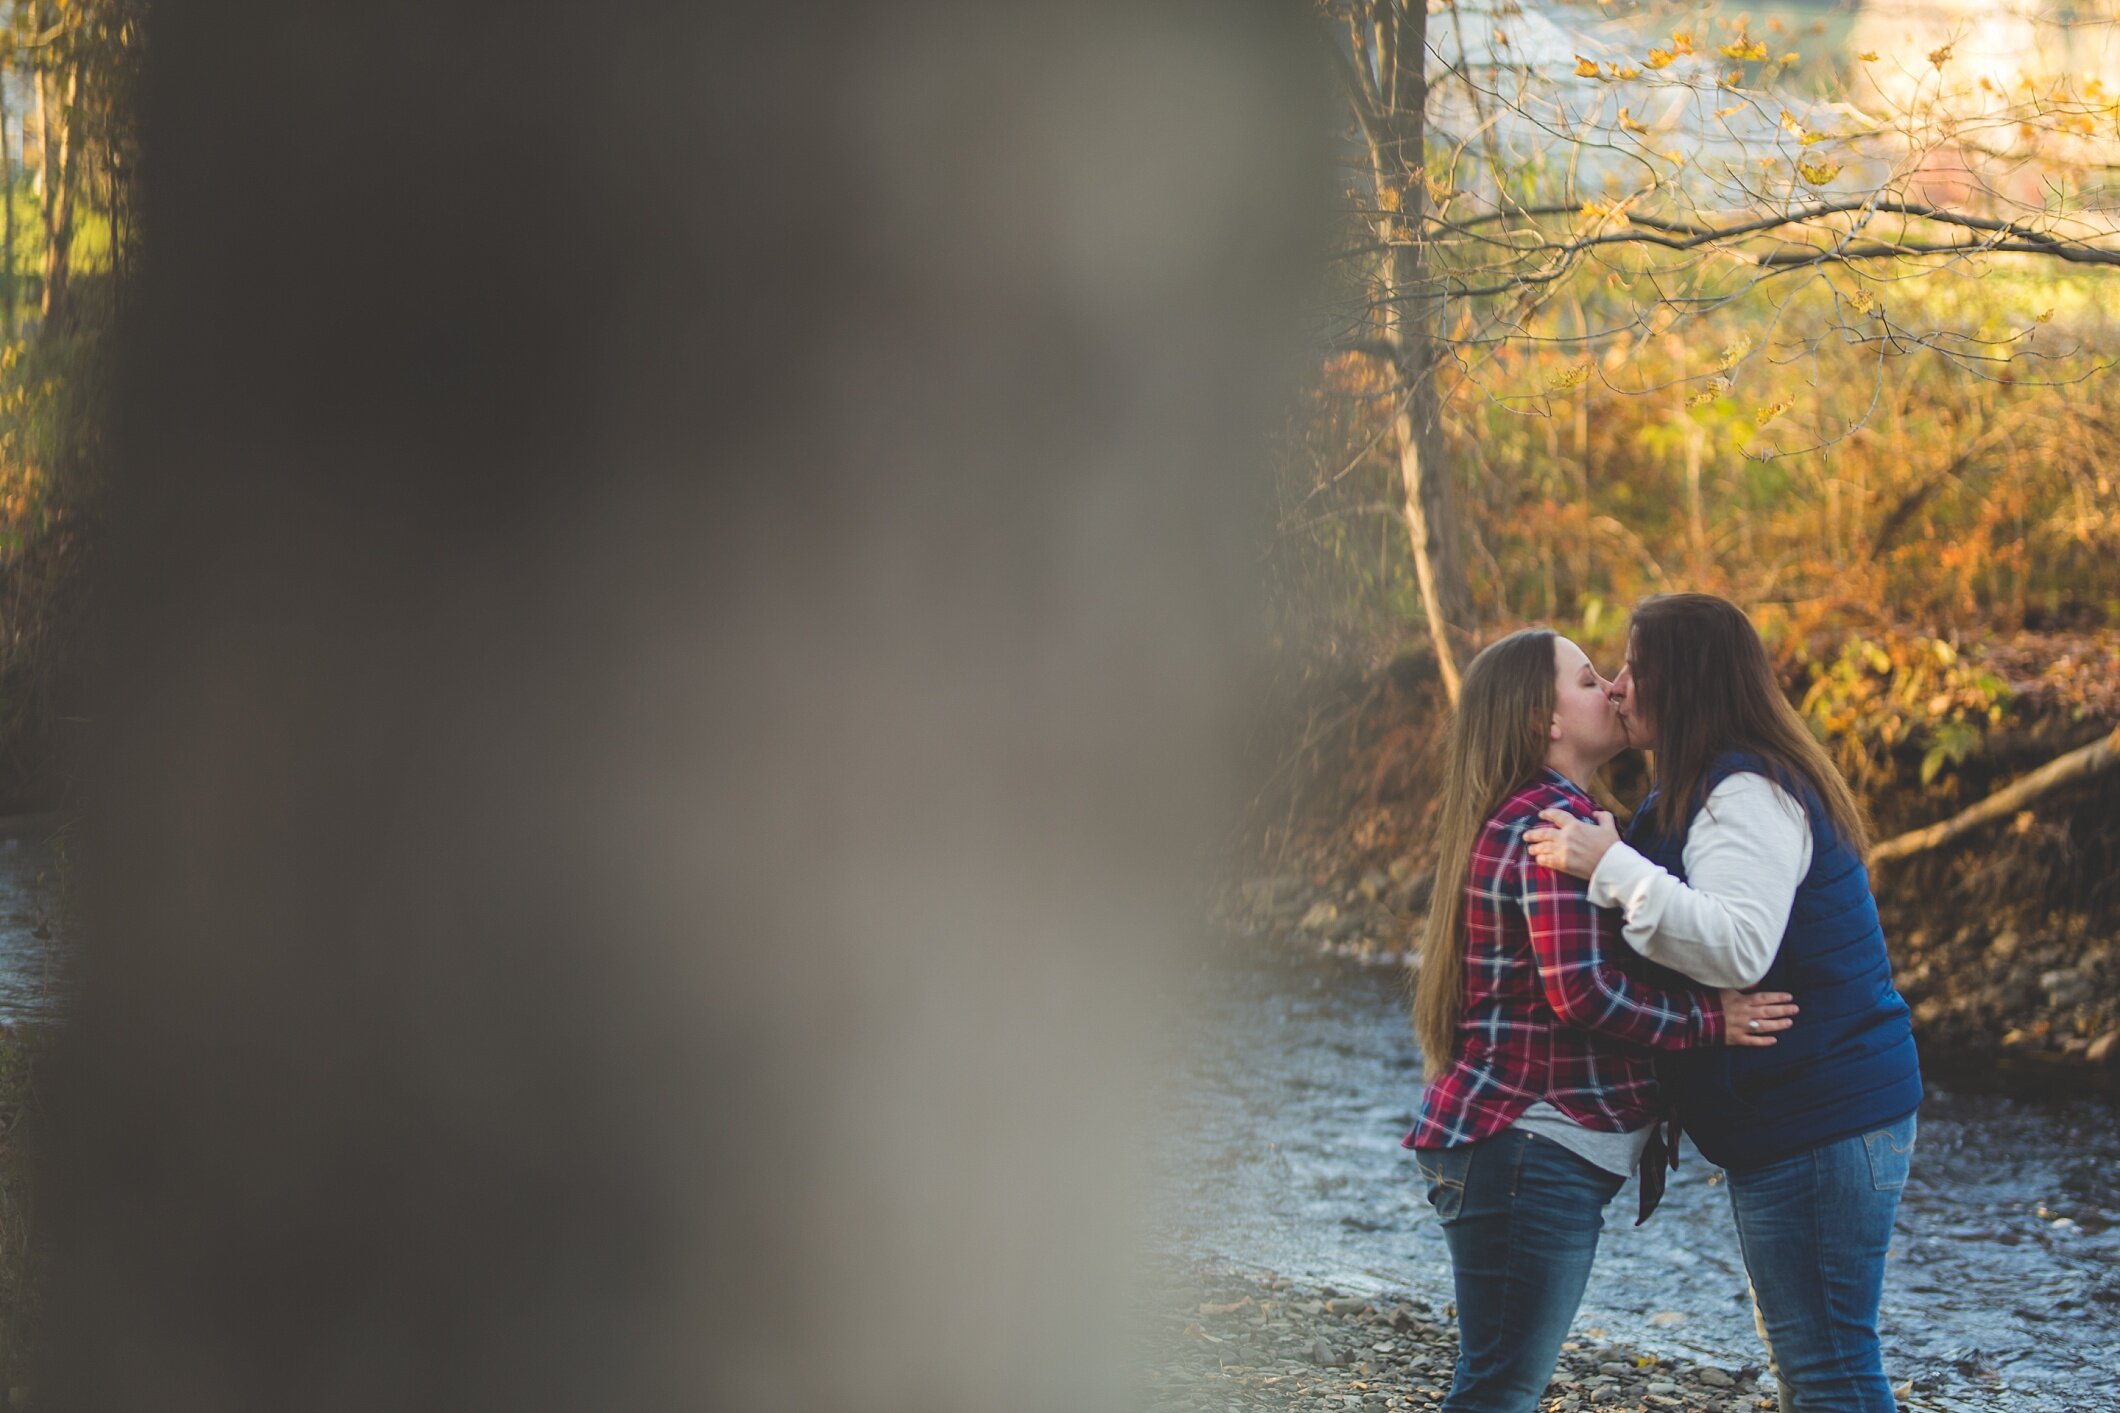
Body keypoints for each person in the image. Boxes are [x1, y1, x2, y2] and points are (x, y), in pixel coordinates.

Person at [1524, 593, 1922, 1413]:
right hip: (1810, 1117)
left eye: (1636, 666)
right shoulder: (1705, 785)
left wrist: (1610, 864)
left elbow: (1741, 944)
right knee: (1816, 1364)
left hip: (1823, 1119)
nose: (1622, 685)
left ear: (1687, 680)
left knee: (1829, 1371)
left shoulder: (1744, 791)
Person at [1405, 627, 1797, 1413]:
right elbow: (1579, 993)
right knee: (1497, 1389)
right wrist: (1710, 1019)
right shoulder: (1550, 822)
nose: (1613, 690)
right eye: (1589, 681)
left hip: (1518, 1145)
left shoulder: (1564, 816)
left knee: (1496, 1383)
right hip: (1525, 1144)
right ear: (1546, 720)